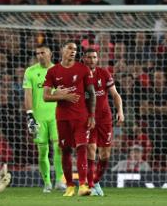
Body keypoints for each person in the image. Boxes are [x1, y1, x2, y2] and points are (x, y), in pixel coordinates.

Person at [43, 42, 96, 197]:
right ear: (62, 50)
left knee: (81, 148)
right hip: (63, 118)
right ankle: (70, 186)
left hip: (81, 117)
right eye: (70, 48)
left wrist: (92, 115)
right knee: (66, 150)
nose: (73, 51)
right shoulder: (53, 71)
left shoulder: (82, 69)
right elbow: (46, 96)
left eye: (75, 49)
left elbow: (91, 94)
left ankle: (84, 185)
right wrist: (63, 96)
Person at [23, 45, 65, 193]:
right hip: (39, 117)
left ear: (50, 54)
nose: (40, 55)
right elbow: (28, 95)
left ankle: (59, 181)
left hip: (56, 116)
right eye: (37, 53)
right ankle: (47, 182)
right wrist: (29, 115)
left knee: (58, 147)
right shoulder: (30, 71)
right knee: (42, 151)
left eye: (43, 52)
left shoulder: (60, 70)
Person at [82, 48, 124, 196]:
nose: (92, 60)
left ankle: (96, 181)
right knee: (91, 149)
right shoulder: (79, 75)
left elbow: (115, 94)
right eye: (89, 57)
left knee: (105, 154)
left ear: (97, 59)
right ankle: (90, 185)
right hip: (88, 119)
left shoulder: (104, 73)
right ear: (84, 59)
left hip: (105, 119)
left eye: (94, 57)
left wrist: (120, 111)